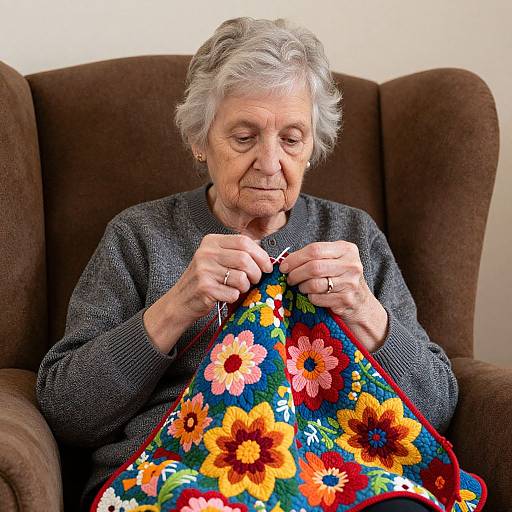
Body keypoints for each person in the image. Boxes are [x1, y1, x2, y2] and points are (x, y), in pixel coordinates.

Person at [36, 17, 458, 512]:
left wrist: (364, 310)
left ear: (312, 148)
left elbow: (437, 410)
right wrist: (176, 306)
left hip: (339, 475)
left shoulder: (354, 236)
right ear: (200, 139)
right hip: (176, 470)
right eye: (244, 137)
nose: (269, 161)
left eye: (292, 139)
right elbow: (68, 410)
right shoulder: (140, 234)